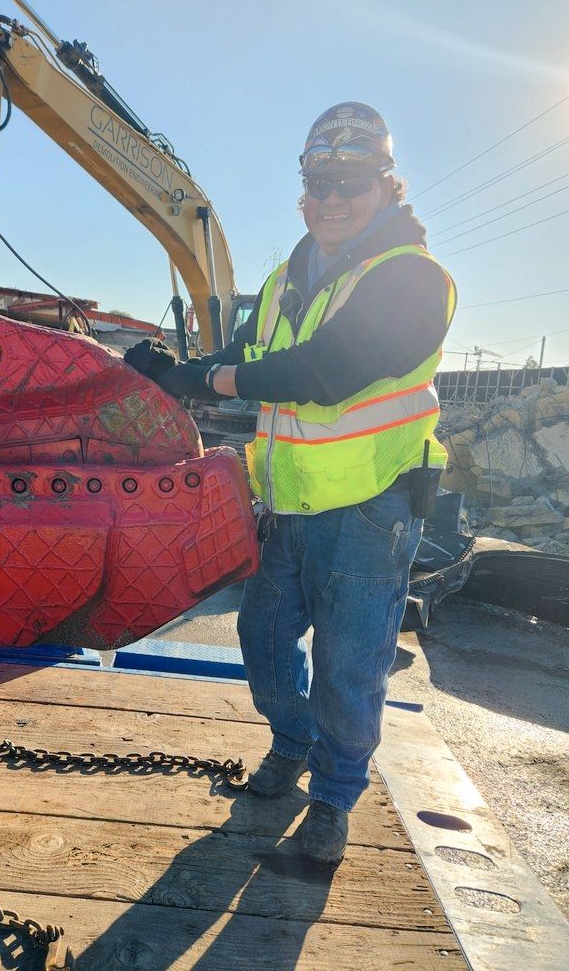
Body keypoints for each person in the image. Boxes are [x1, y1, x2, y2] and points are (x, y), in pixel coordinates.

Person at [125, 102, 456, 864]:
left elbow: (325, 372)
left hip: (371, 507)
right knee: (264, 637)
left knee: (349, 665)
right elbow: (247, 356)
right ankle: (292, 741)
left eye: (350, 183)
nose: (332, 198)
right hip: (288, 501)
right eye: (318, 184)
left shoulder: (413, 279)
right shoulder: (285, 279)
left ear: (387, 186)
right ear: (303, 191)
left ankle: (334, 797)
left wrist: (207, 379)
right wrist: (174, 373)